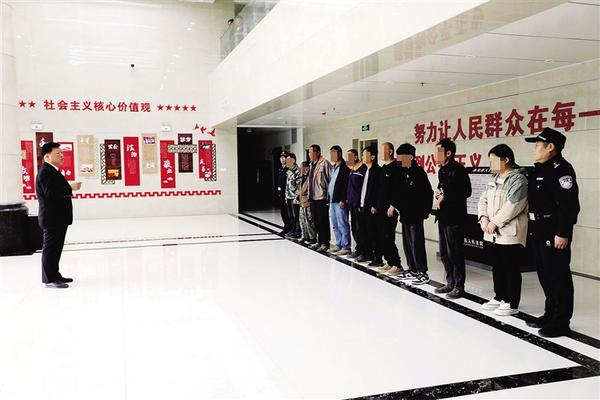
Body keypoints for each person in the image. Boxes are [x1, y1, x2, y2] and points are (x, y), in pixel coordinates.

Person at [524, 127, 580, 338]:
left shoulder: (562, 170)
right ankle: (550, 314)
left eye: (538, 145)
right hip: (538, 230)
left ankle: (561, 321)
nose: (535, 149)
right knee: (544, 274)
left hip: (553, 232)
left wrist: (563, 232)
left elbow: (569, 205)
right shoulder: (540, 169)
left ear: (550, 147)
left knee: (558, 276)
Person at [478, 144, 528, 316]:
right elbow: (482, 200)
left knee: (510, 268)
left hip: (509, 233)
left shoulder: (518, 179)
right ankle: (499, 296)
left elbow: (514, 205)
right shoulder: (494, 179)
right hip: (493, 233)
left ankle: (511, 302)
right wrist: (483, 218)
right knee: (497, 267)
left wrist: (494, 223)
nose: (490, 164)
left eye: (493, 160)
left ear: (506, 160)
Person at [36, 142, 81, 288]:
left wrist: (67, 188)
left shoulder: (53, 171)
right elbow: (50, 194)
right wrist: (70, 187)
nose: (62, 155)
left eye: (62, 153)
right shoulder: (45, 172)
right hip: (52, 219)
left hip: (58, 218)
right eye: (58, 153)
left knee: (56, 249)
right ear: (47, 156)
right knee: (50, 249)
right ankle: (49, 279)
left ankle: (55, 275)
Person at [433, 138, 472, 299]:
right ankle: (449, 282)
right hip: (443, 216)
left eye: (439, 152)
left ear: (448, 153)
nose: (436, 155)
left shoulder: (459, 170)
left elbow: (466, 191)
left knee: (455, 253)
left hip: (455, 218)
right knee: (444, 253)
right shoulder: (442, 170)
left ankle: (459, 286)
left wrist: (446, 196)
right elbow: (442, 189)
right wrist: (438, 194)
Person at [392, 143, 433, 285]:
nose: (398, 160)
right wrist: (398, 209)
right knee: (408, 244)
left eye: (401, 157)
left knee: (417, 243)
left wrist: (425, 211)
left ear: (410, 157)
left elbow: (428, 193)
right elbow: (398, 193)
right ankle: (412, 269)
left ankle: (422, 272)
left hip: (416, 214)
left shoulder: (419, 172)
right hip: (405, 214)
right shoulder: (402, 172)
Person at [375, 142, 404, 276]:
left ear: (391, 152)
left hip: (390, 210)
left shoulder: (397, 167)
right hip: (381, 208)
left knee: (388, 236)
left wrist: (393, 206)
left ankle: (397, 264)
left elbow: (398, 190)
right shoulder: (383, 168)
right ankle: (389, 261)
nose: (380, 153)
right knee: (381, 236)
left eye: (383, 150)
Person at [356, 146, 383, 266]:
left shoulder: (377, 171)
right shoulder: (365, 170)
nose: (362, 157)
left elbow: (378, 191)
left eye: (364, 155)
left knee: (373, 233)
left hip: (371, 207)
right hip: (363, 205)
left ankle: (378, 258)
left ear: (372, 157)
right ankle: (367, 253)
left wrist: (375, 205)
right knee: (364, 231)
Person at [308, 144, 333, 252]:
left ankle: (325, 242)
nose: (310, 154)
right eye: (309, 152)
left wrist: (329, 197)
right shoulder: (311, 165)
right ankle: (319, 241)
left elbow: (331, 180)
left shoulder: (325, 163)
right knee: (316, 221)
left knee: (323, 221)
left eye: (312, 152)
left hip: (322, 197)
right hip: (313, 197)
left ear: (318, 152)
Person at [328, 145, 351, 256]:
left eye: (334, 153)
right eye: (330, 153)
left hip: (339, 201)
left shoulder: (345, 167)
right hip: (332, 201)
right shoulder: (333, 167)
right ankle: (338, 243)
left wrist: (343, 199)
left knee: (342, 224)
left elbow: (346, 185)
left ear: (340, 154)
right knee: (335, 224)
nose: (332, 155)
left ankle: (346, 246)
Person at [345, 149, 367, 259]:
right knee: (354, 227)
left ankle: (364, 251)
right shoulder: (351, 169)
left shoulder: (363, 169)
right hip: (351, 203)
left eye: (349, 157)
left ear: (356, 157)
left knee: (360, 228)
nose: (347, 159)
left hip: (359, 204)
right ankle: (358, 249)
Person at [297, 161, 317, 245]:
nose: (300, 169)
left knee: (309, 220)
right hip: (301, 202)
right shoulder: (302, 177)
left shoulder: (310, 178)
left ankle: (312, 237)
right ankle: (304, 235)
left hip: (308, 202)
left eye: (302, 167)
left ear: (307, 168)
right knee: (302, 220)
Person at [284, 153, 302, 239]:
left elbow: (299, 185)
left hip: (294, 197)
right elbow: (287, 185)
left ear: (293, 160)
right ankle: (292, 230)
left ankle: (297, 232)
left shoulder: (297, 170)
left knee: (296, 216)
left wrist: (297, 197)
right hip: (289, 196)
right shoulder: (289, 171)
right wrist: (286, 196)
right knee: (290, 215)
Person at [275, 151, 291, 235]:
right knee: (283, 212)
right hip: (281, 194)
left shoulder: (289, 168)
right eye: (281, 158)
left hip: (288, 194)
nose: (282, 159)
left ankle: (290, 228)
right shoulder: (280, 169)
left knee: (288, 212)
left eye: (284, 157)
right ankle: (286, 227)